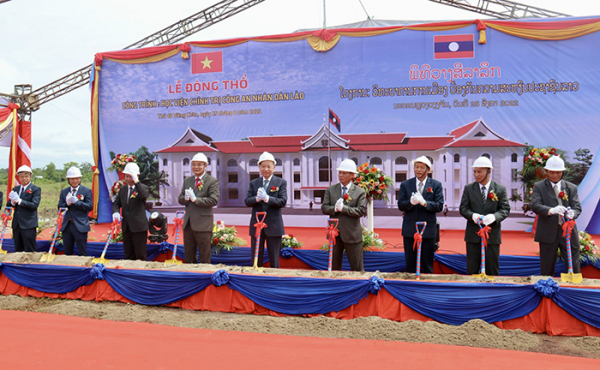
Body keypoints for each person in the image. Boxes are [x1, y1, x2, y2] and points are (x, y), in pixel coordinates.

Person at [530, 155, 582, 276]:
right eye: (552, 172)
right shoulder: (539, 187)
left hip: (568, 231)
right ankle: (546, 290)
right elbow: (535, 205)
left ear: (562, 172)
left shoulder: (571, 188)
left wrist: (573, 213)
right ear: (546, 171)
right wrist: (551, 210)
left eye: (558, 172)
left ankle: (573, 289)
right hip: (548, 231)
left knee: (573, 264)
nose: (555, 175)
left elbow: (577, 207)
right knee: (547, 266)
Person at [459, 156, 510, 276]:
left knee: (492, 270)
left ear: (489, 171)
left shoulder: (500, 189)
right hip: (473, 236)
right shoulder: (469, 189)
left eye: (479, 171)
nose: (476, 175)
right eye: (475, 171)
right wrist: (472, 216)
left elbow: (505, 209)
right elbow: (463, 209)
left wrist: (495, 216)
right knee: (472, 270)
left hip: (492, 236)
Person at [397, 156, 444, 274]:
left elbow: (439, 206)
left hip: (428, 230)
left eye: (421, 167)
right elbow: (401, 205)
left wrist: (425, 203)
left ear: (428, 170)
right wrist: (410, 203)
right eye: (416, 167)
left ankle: (426, 288)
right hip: (410, 229)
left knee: (427, 263)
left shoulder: (436, 185)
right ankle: (410, 288)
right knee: (410, 262)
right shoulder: (406, 184)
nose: (418, 170)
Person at [321, 159, 366, 271]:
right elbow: (324, 208)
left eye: (344, 173)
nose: (341, 175)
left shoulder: (360, 192)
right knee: (334, 267)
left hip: (352, 234)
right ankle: (336, 287)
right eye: (340, 172)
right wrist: (334, 209)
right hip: (334, 234)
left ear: (352, 175)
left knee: (357, 268)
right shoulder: (331, 189)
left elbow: (360, 211)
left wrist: (344, 209)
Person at [245, 151, 287, 268]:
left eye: (269, 166)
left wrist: (268, 198)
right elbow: (247, 201)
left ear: (274, 167)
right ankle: (256, 276)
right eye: (263, 166)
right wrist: (257, 199)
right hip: (256, 225)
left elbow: (282, 201)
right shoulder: (254, 183)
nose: (266, 169)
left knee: (274, 257)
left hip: (273, 225)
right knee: (256, 256)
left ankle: (274, 280)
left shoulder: (281, 182)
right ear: (259, 167)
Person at [178, 152, 220, 264]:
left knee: (204, 256)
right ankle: (190, 276)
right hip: (188, 223)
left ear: (206, 166)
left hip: (203, 224)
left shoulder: (212, 181)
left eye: (199, 164)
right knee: (189, 255)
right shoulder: (188, 180)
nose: (196, 167)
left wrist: (196, 199)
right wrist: (185, 198)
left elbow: (213, 200)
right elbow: (180, 198)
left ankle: (204, 276)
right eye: (193, 164)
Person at [112, 162, 149, 260]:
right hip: (126, 226)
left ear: (137, 176)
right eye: (126, 176)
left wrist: (136, 182)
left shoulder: (143, 188)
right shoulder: (123, 189)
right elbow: (116, 203)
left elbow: (143, 196)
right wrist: (115, 212)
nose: (128, 179)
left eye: (130, 176)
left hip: (139, 227)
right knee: (128, 253)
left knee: (140, 254)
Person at [58, 166, 94, 256]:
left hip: (80, 225)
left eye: (77, 178)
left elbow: (90, 206)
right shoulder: (64, 191)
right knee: (67, 251)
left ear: (80, 178)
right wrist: (67, 204)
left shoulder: (86, 191)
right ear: (68, 179)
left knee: (82, 251)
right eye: (72, 179)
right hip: (67, 225)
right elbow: (59, 207)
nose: (74, 181)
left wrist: (77, 202)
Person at [9, 165, 41, 252]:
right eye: (21, 176)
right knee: (18, 248)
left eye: (26, 176)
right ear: (18, 177)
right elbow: (9, 204)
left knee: (30, 248)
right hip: (17, 223)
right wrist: (12, 202)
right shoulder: (16, 189)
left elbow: (34, 205)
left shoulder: (35, 189)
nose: (24, 179)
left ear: (30, 176)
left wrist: (19, 201)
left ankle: (31, 264)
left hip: (28, 224)